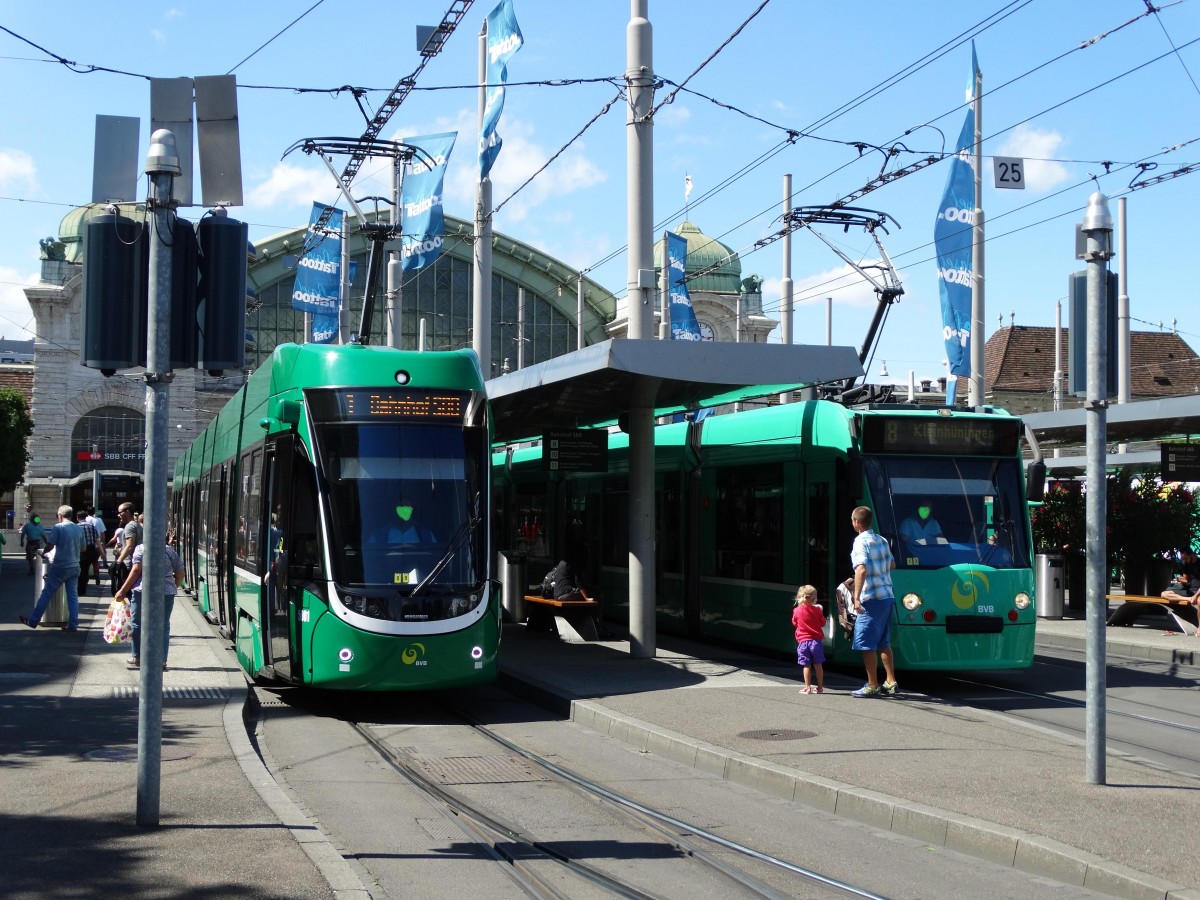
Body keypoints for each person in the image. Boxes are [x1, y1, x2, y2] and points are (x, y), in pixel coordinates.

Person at [114, 532, 186, 670]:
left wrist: (122, 591)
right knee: (163, 625)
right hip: (166, 592)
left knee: (137, 623)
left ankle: (137, 656)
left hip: (143, 591)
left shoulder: (141, 549)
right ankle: (161, 660)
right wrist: (172, 587)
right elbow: (180, 573)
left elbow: (136, 571)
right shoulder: (170, 551)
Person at [849, 505, 899, 698]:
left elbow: (861, 569)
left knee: (867, 644)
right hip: (887, 595)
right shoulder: (882, 540)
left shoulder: (860, 542)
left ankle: (872, 685)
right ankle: (891, 681)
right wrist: (879, 571)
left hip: (871, 598)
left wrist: (856, 598)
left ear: (856, 522)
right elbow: (892, 564)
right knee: (884, 642)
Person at [18, 505, 84, 631]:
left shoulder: (58, 527)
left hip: (60, 566)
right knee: (72, 597)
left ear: (60, 515)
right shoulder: (79, 528)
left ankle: (33, 620)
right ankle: (73, 625)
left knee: (46, 593)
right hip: (75, 566)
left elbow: (50, 545)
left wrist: (43, 553)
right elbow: (83, 548)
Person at [792, 584, 826, 694]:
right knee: (818, 665)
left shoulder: (796, 611)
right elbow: (823, 623)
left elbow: (794, 623)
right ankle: (820, 687)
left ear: (799, 597)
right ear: (814, 598)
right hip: (816, 642)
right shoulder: (817, 610)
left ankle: (807, 687)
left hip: (803, 642)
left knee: (806, 665)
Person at [109, 503, 143, 597]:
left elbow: (129, 546)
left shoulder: (129, 526)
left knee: (128, 593)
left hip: (130, 564)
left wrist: (118, 562)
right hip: (136, 562)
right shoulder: (136, 525)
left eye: (120, 512)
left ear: (127, 512)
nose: (118, 515)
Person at [371, 499, 436, 544]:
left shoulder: (426, 535)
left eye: (407, 508)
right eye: (401, 508)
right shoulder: (377, 537)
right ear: (394, 510)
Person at [75, 510, 100, 599]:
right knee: (86, 570)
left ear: (78, 518)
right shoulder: (92, 526)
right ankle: (84, 586)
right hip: (91, 550)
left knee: (81, 570)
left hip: (82, 550)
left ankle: (80, 589)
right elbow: (97, 540)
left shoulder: (77, 527)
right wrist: (101, 552)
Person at [86, 506, 107, 586]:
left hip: (86, 544)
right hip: (97, 544)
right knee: (95, 561)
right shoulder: (98, 520)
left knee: (85, 562)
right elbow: (102, 533)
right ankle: (97, 573)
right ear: (94, 512)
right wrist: (103, 544)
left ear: (87, 512)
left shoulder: (85, 519)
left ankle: (86, 577)